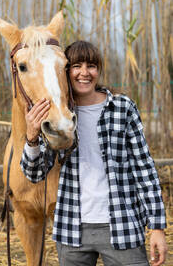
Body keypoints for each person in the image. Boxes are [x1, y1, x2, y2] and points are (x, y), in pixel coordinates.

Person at [20, 41, 167, 266]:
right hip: (72, 229)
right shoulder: (60, 117)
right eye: (76, 66)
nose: (84, 73)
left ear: (99, 70)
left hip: (122, 226)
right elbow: (35, 173)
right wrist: (31, 137)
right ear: (66, 71)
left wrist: (156, 227)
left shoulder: (122, 108)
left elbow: (144, 169)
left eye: (91, 66)